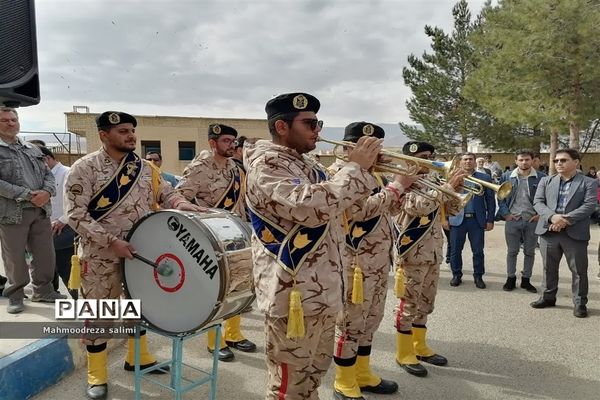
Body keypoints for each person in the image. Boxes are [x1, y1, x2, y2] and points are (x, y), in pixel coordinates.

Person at [245, 92, 387, 400]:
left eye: (318, 122)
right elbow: (309, 206)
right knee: (288, 387)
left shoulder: (307, 165)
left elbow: (347, 206)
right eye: (309, 123)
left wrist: (370, 173)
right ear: (282, 127)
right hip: (291, 296)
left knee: (311, 381)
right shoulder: (266, 165)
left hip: (322, 292)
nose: (317, 130)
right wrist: (357, 169)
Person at [65, 111, 203, 399]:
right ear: (104, 135)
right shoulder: (83, 168)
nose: (131, 136)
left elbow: (166, 193)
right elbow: (75, 216)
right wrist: (111, 241)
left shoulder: (143, 168)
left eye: (131, 130)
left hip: (140, 254)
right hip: (101, 256)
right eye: (122, 131)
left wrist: (181, 203)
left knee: (137, 309)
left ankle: (137, 357)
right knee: (99, 316)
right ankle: (97, 375)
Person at [330, 122, 416, 400]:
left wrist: (401, 191)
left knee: (370, 321)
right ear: (349, 148)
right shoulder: (338, 175)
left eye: (377, 147)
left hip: (378, 262)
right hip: (353, 264)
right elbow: (358, 212)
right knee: (350, 323)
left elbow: (388, 210)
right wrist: (396, 188)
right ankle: (343, 380)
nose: (375, 153)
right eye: (368, 147)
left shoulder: (375, 176)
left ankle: (362, 372)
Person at [176, 123, 257, 362]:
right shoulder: (198, 168)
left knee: (239, 285)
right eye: (226, 141)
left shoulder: (235, 168)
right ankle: (214, 339)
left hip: (236, 238)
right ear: (212, 143)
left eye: (233, 141)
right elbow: (180, 198)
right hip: (210, 239)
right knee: (214, 290)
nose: (232, 145)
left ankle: (233, 334)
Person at [394, 141, 465, 377]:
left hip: (433, 251)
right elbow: (419, 207)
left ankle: (419, 346)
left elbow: (451, 211)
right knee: (408, 305)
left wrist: (455, 193)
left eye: (430, 156)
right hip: (412, 252)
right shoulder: (402, 182)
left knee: (425, 302)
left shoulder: (434, 182)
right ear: (410, 160)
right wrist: (447, 187)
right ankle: (404, 353)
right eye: (424, 157)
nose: (429, 161)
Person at [0, 107, 65, 314]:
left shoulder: (32, 148)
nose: (11, 123)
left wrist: (46, 192)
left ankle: (44, 291)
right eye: (4, 120)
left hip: (40, 211)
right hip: (12, 212)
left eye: (13, 119)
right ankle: (16, 295)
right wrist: (28, 194)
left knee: (45, 254)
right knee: (14, 257)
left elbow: (49, 174)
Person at [531, 148, 597, 318]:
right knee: (548, 268)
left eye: (563, 160)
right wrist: (552, 217)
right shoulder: (546, 181)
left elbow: (589, 205)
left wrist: (565, 220)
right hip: (549, 231)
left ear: (575, 162)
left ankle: (579, 303)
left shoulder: (588, 182)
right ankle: (547, 297)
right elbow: (538, 202)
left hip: (574, 233)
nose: (559, 163)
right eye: (556, 161)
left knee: (579, 270)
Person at [496, 149, 546, 293]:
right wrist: (506, 214)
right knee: (512, 251)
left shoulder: (541, 177)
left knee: (530, 252)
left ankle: (526, 280)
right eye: (521, 160)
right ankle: (510, 278)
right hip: (513, 220)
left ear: (532, 160)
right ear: (516, 161)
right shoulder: (507, 176)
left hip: (532, 221)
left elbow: (546, 198)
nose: (524, 162)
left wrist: (539, 214)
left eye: (527, 160)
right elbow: (500, 198)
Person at [449, 153, 496, 289]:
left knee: (478, 251)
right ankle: (456, 275)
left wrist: (490, 219)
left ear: (475, 162)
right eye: (465, 159)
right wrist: (444, 218)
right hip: (457, 219)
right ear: (460, 162)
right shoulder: (452, 176)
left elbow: (490, 200)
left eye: (471, 159)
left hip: (476, 220)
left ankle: (478, 276)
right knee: (455, 250)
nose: (468, 162)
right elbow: (445, 199)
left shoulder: (484, 178)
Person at [39, 146, 78, 299]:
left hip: (63, 228)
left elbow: (78, 202)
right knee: (49, 267)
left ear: (46, 158)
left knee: (66, 268)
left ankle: (78, 300)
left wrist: (62, 220)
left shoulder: (67, 173)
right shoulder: (42, 176)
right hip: (46, 228)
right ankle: (52, 295)